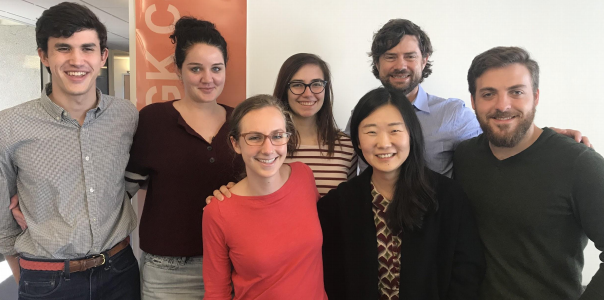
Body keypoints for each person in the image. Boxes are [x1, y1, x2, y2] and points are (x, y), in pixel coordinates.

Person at [0, 2, 140, 299]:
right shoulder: (8, 126)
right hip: (47, 278)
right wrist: (24, 276)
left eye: (87, 48)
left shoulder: (126, 116)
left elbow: (128, 179)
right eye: (64, 48)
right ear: (44, 56)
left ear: (103, 56)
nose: (77, 60)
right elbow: (1, 219)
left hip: (120, 271)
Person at [345, 19, 590, 177]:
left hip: (438, 235)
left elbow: (503, 137)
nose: (401, 65)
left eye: (410, 56)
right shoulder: (362, 115)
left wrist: (545, 137)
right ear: (377, 63)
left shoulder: (453, 114)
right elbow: (345, 166)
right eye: (390, 56)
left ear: (424, 59)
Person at [454, 46, 604, 299]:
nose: (503, 105)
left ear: (535, 97)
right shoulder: (464, 156)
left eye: (516, 92)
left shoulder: (578, 163)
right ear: (473, 101)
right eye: (489, 93)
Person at [320, 87, 485, 299]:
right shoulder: (338, 204)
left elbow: (467, 271)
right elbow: (332, 277)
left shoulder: (448, 196)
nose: (383, 143)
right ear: (358, 141)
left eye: (395, 130)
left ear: (411, 134)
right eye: (371, 131)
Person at [124, 17, 244, 299]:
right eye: (195, 68)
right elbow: (125, 189)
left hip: (232, 265)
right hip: (168, 273)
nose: (208, 78)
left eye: (216, 68)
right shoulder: (153, 120)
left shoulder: (240, 121)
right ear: (178, 70)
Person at [202, 95, 328, 299]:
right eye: (254, 137)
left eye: (277, 136)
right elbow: (217, 291)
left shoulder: (304, 176)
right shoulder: (218, 211)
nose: (268, 149)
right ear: (235, 144)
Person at [274, 53, 357, 196]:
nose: (308, 93)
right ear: (284, 90)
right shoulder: (269, 145)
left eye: (317, 84)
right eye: (297, 85)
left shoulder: (348, 146)